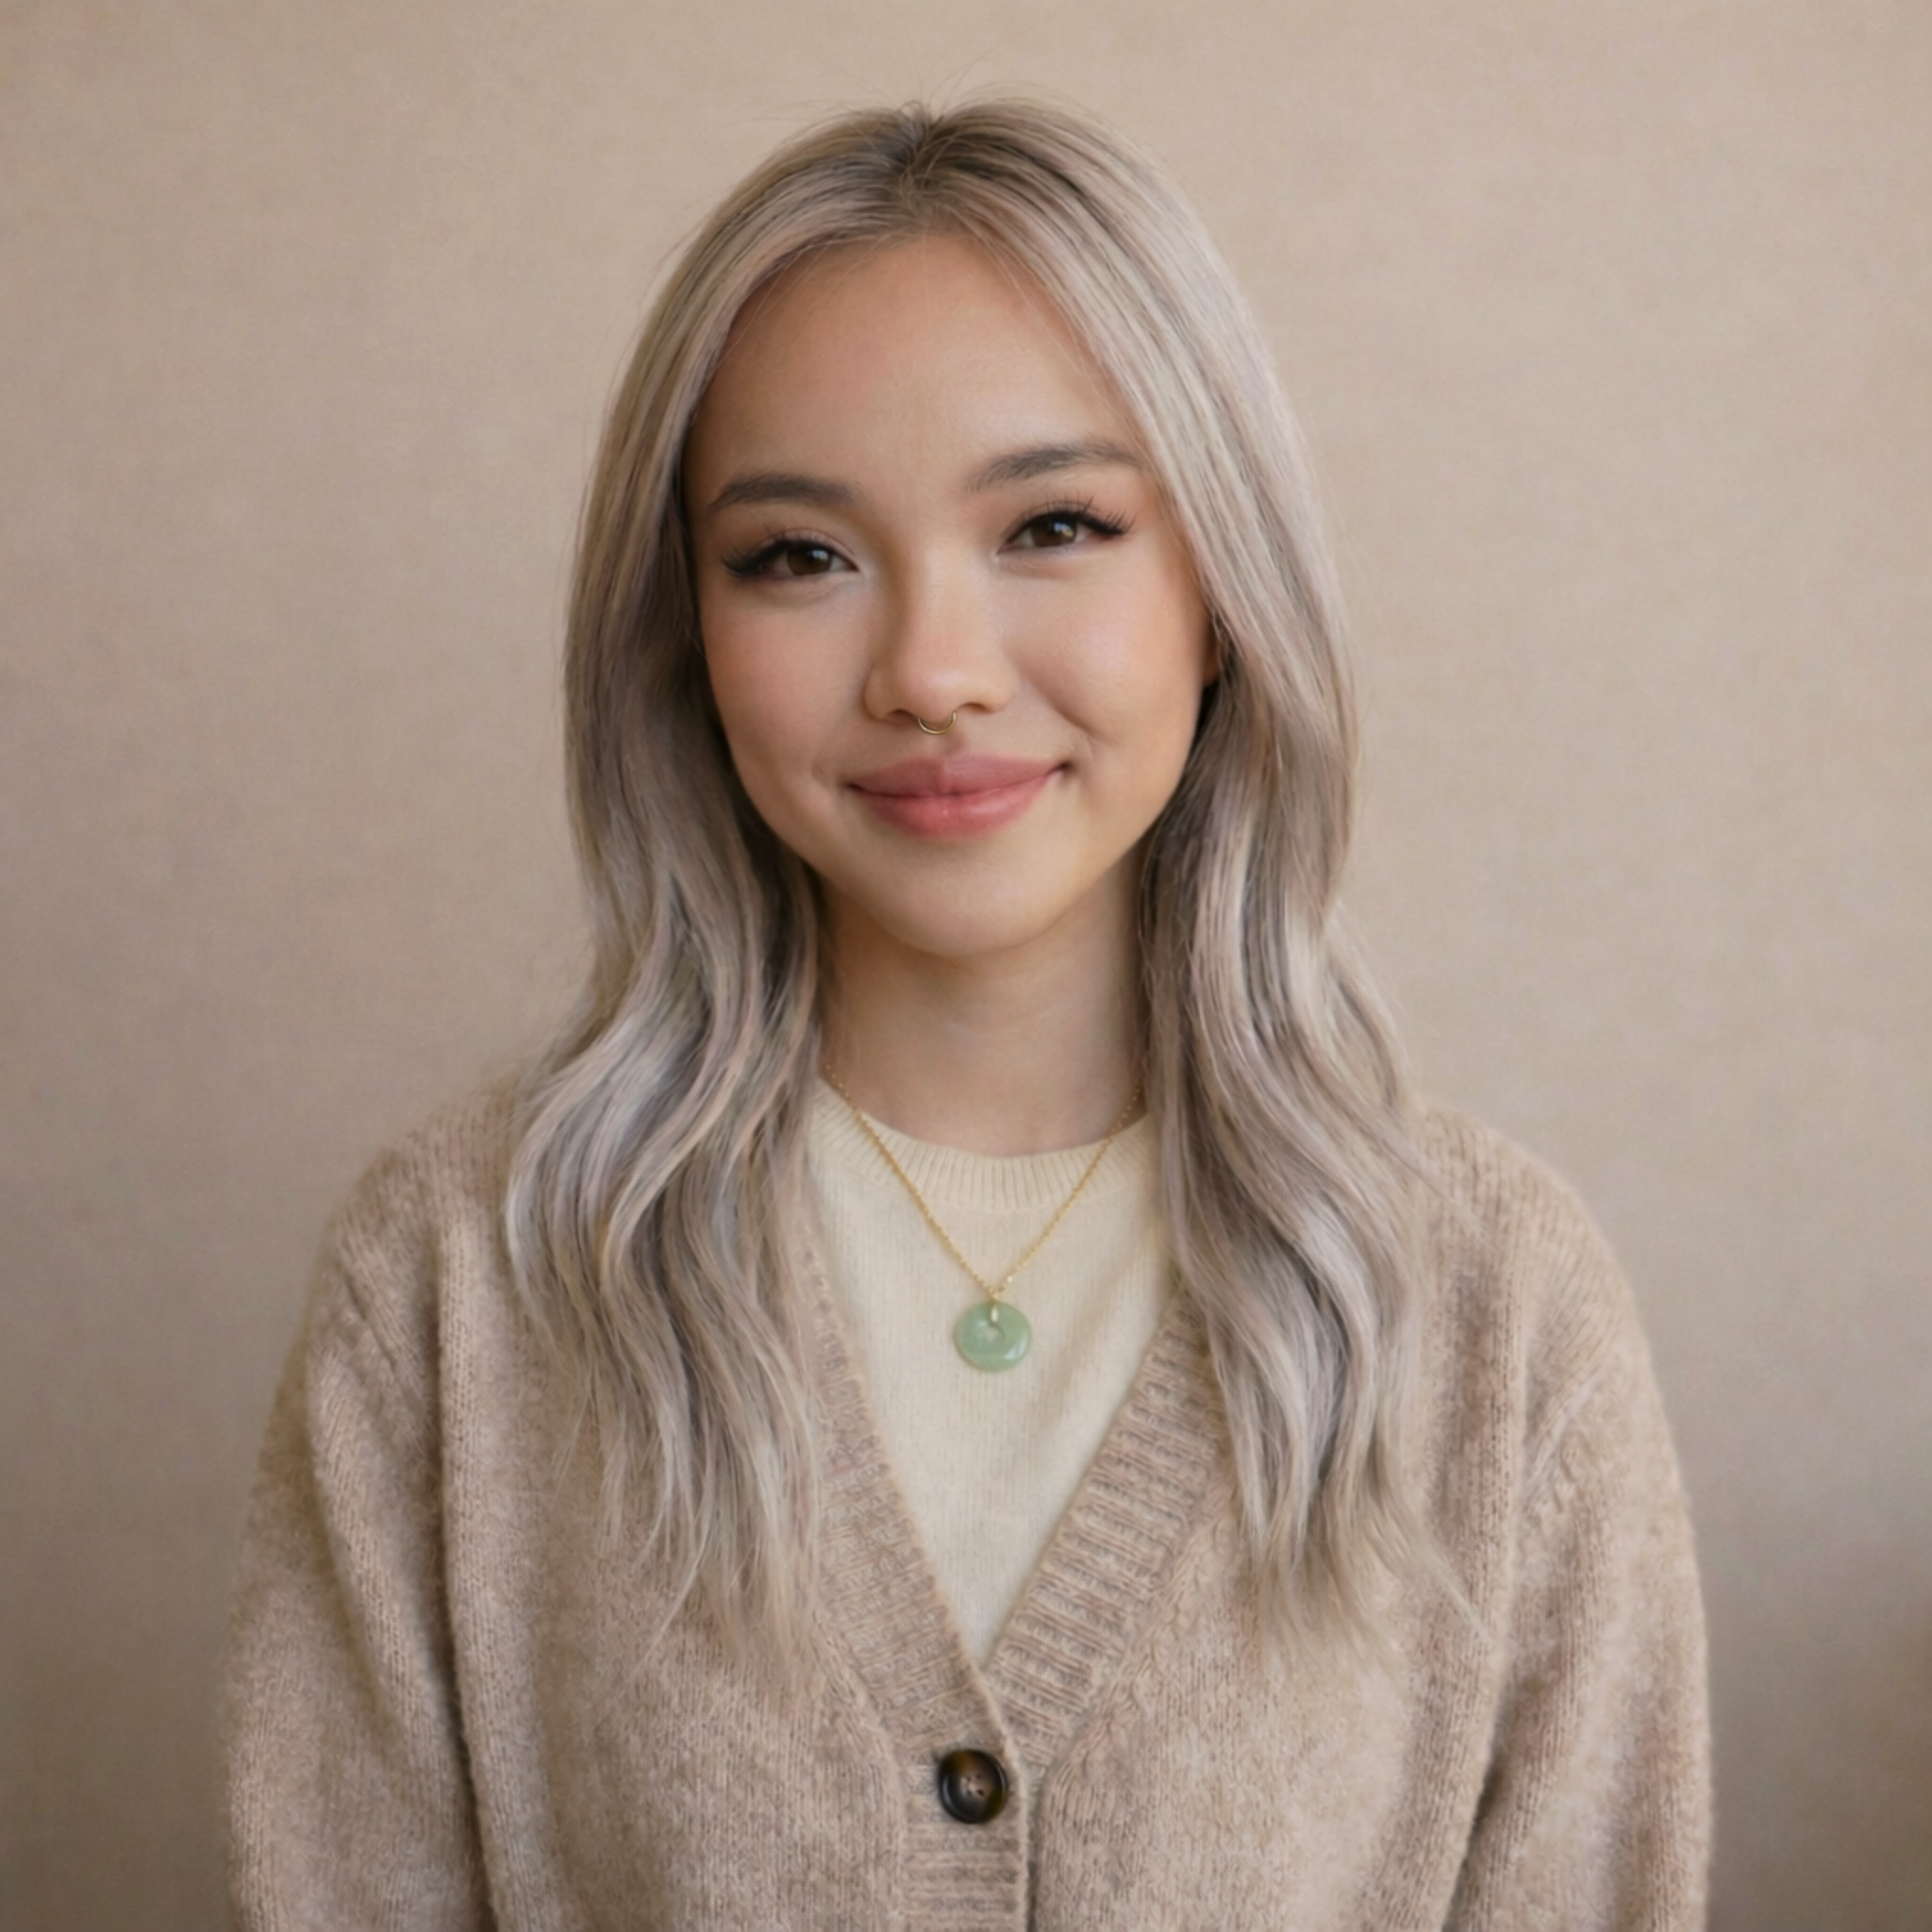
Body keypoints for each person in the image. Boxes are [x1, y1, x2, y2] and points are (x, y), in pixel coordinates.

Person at [225, 99, 1710, 1927]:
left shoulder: (1496, 1313)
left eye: (1056, 524)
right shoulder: (457, 1281)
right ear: (683, 628)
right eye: (796, 555)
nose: (931, 671)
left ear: (1219, 592)